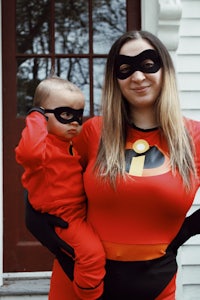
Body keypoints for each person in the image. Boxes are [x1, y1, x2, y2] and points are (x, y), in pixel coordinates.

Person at [24, 30, 200, 300]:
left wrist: (184, 233)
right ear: (114, 79)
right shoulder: (92, 132)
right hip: (81, 282)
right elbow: (42, 174)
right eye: (125, 69)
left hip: (155, 284)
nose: (138, 77)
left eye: (148, 64)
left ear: (165, 69)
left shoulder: (194, 138)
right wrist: (49, 234)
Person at [15, 76, 106, 300]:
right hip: (63, 218)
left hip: (80, 213)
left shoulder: (70, 144)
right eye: (65, 115)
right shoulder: (42, 146)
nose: (74, 122)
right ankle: (90, 295)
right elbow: (28, 153)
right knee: (91, 255)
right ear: (44, 116)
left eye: (78, 115)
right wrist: (35, 117)